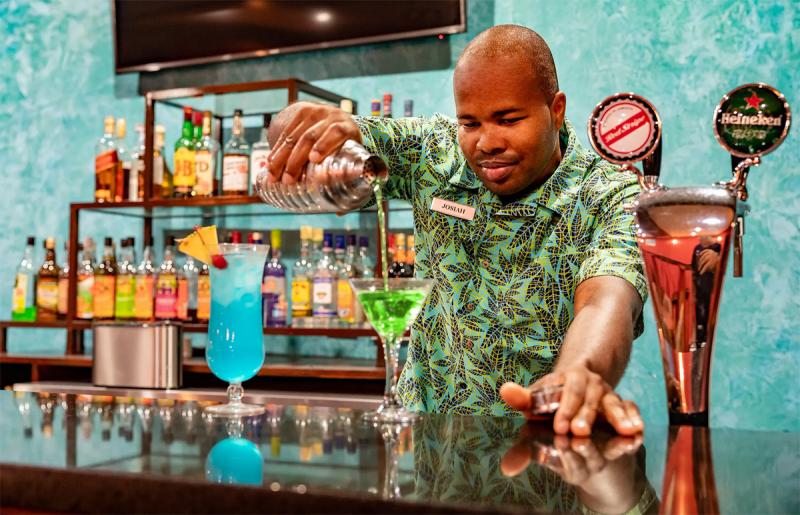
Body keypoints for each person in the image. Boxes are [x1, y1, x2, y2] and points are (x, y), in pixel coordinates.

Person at [267, 25, 647, 436]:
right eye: (470, 123)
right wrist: (301, 125)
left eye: (508, 119)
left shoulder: (611, 194)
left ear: (556, 110)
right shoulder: (433, 151)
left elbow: (608, 299)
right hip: (427, 446)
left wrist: (580, 372)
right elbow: (310, 129)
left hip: (539, 447)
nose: (486, 142)